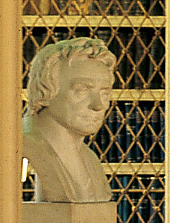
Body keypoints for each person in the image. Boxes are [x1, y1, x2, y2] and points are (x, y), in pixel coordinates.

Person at [22, 35, 116, 206]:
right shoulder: (24, 142)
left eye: (104, 93)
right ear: (46, 90)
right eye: (82, 90)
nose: (98, 105)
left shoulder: (90, 159)